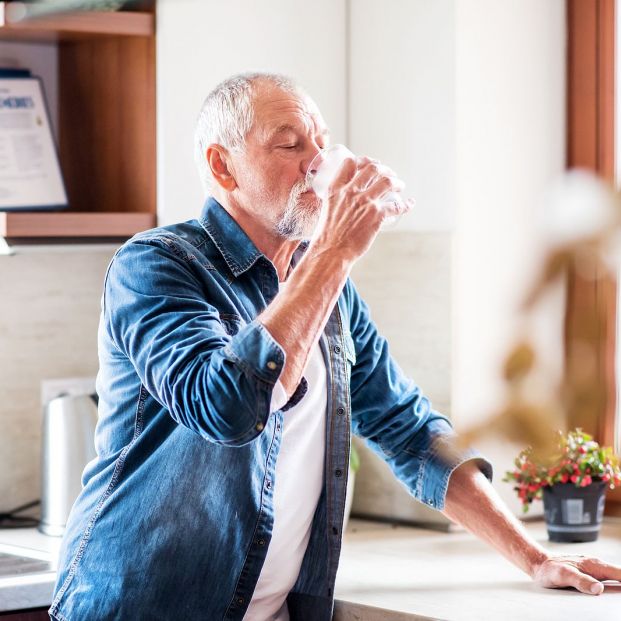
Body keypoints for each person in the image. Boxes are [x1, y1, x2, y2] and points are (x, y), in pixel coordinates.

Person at [49, 72, 621, 621]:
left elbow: (409, 429)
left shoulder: (327, 287)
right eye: (290, 143)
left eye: (320, 142)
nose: (317, 162)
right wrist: (334, 251)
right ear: (223, 167)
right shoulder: (156, 265)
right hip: (139, 606)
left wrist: (536, 557)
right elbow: (225, 408)